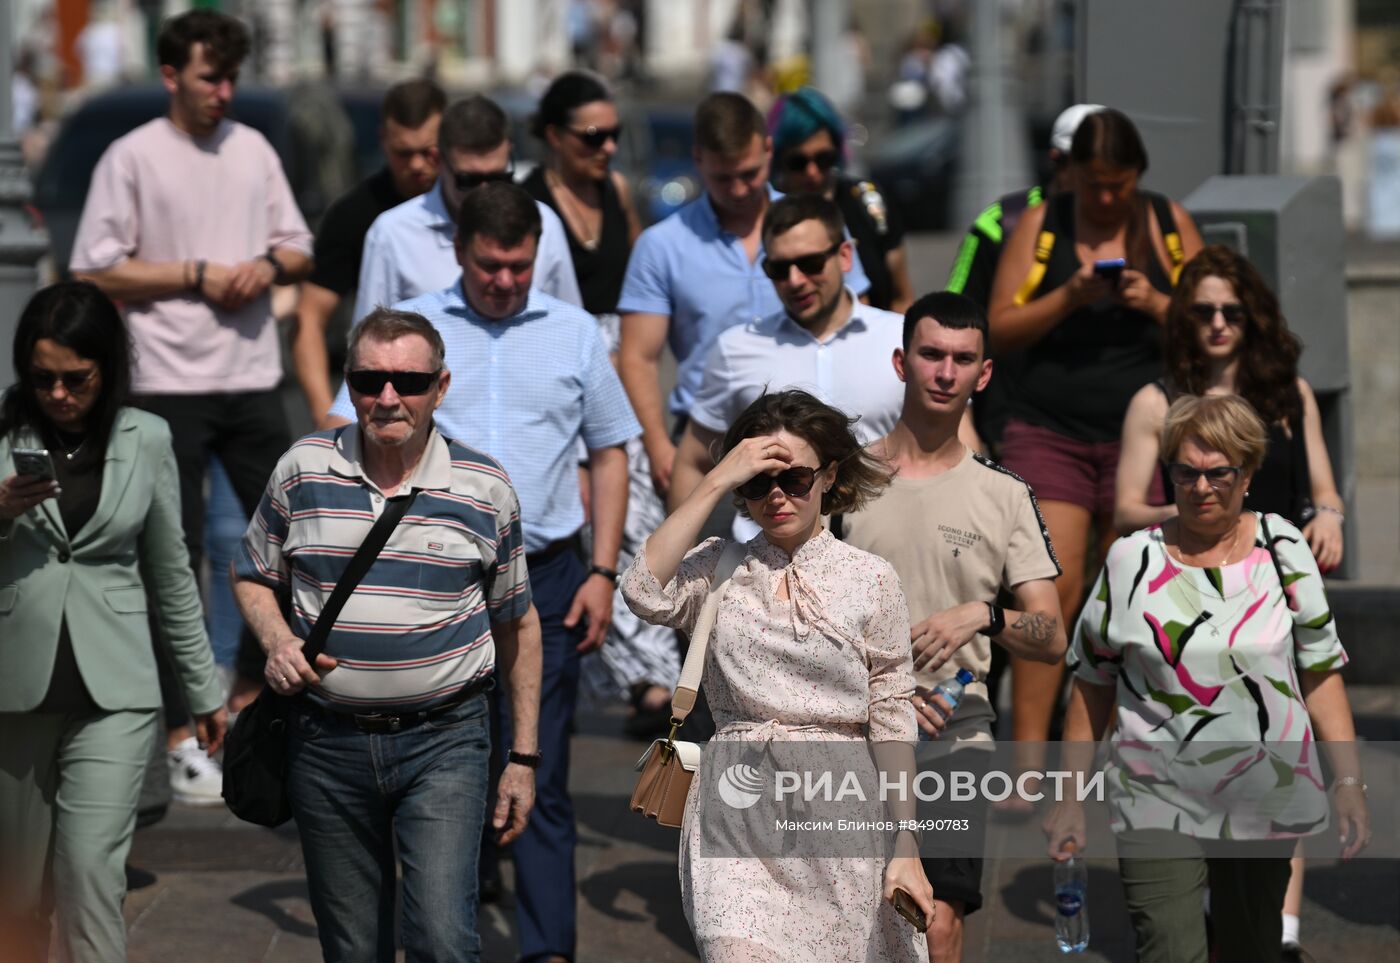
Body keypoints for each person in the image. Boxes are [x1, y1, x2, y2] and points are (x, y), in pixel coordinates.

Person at [328, 183, 639, 963]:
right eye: (490, 265)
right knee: (444, 772)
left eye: (520, 266)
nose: (504, 280)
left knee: (542, 765)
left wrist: (604, 568)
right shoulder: (415, 336)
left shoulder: (572, 333)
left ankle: (546, 949)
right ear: (460, 252)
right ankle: (442, 930)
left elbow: (610, 449)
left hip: (552, 570)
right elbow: (349, 426)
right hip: (437, 580)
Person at [233, 308, 542, 962]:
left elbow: (517, 622)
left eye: (409, 380)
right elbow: (252, 573)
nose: (388, 397)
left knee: (442, 937)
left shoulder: (485, 487)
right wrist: (277, 642)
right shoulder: (303, 469)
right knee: (353, 947)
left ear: (441, 386)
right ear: (348, 384)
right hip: (325, 742)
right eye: (369, 379)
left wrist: (523, 758)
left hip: (446, 739)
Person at [69, 9, 313, 804]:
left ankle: (242, 698)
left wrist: (266, 265)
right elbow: (96, 268)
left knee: (287, 540)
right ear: (172, 74)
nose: (224, 92)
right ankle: (179, 731)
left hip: (249, 374)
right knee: (168, 556)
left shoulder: (251, 148)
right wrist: (197, 274)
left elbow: (297, 246)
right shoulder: (132, 156)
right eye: (211, 77)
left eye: (232, 78)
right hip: (164, 380)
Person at [1044, 394, 1369, 963]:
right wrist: (1070, 797)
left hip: (1265, 795)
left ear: (1248, 473)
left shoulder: (1285, 549)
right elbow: (1091, 683)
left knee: (1253, 949)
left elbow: (1320, 675)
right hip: (1154, 796)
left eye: (1219, 473)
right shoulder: (1129, 560)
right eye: (1185, 472)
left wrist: (1348, 786)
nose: (1200, 487)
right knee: (1168, 949)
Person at [619, 389, 934, 962]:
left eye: (795, 478)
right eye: (758, 482)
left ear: (829, 475)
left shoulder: (872, 579)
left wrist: (907, 843)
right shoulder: (718, 564)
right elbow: (640, 590)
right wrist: (715, 479)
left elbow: (892, 723)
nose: (777, 495)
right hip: (735, 807)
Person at [1113, 245, 1347, 960]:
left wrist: (1329, 516)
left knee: (1282, 747)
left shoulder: (1287, 392)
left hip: (1274, 581)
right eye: (1204, 310)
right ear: (1185, 316)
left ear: (1254, 317)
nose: (1218, 323)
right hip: (1183, 589)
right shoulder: (1157, 398)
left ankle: (1284, 930)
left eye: (1232, 311)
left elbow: (1323, 487)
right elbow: (1123, 504)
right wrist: (1194, 505)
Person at [0, 282, 226, 963]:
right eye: (43, 379)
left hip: (118, 693)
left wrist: (202, 687)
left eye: (77, 379)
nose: (60, 394)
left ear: (108, 370)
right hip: (15, 692)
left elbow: (171, 572)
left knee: (89, 871)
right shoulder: (4, 437)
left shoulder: (147, 438)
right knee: (15, 895)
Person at [837, 292, 1066, 963]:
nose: (945, 372)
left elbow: (1052, 637)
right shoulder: (845, 479)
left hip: (954, 736)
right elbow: (802, 607)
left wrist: (985, 614)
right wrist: (883, 692)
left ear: (984, 374)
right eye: (931, 355)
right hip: (849, 733)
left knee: (936, 921)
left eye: (962, 359)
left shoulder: (1005, 493)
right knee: (854, 924)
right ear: (901, 362)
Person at [986, 108, 1203, 806]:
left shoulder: (1166, 222)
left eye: (1119, 184)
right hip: (1050, 425)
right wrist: (1068, 296)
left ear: (1138, 176)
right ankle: (1027, 763)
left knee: (1135, 592)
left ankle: (1131, 754)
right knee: (1053, 583)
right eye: (1095, 183)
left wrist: (1154, 300)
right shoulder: (1042, 222)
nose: (1107, 198)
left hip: (1145, 427)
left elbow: (1213, 316)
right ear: (1072, 172)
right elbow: (998, 326)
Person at [617, 91, 870, 501]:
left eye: (749, 174)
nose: (738, 189)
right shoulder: (662, 244)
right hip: (711, 440)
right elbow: (638, 357)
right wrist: (659, 446)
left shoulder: (812, 226)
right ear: (698, 159)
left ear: (768, 150)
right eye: (723, 178)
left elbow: (859, 319)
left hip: (816, 439)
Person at [522, 71, 673, 734]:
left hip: (619, 360)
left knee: (637, 516)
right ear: (553, 136)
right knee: (568, 522)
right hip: (556, 367)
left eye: (614, 134)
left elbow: (640, 274)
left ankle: (652, 677)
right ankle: (606, 675)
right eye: (592, 135)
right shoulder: (529, 200)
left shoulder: (613, 191)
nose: (607, 147)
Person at [669, 194, 904, 524]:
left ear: (845, 255)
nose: (795, 280)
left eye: (810, 264)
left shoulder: (900, 336)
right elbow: (693, 461)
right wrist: (684, 560)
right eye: (778, 269)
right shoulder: (736, 348)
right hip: (766, 561)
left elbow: (953, 445)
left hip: (882, 547)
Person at [293, 78, 446, 428]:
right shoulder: (354, 214)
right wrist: (325, 415)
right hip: (387, 403)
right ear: (383, 141)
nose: (418, 165)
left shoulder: (471, 207)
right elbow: (309, 319)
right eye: (403, 153)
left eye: (429, 152)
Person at [353, 94, 582, 325]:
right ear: (438, 161)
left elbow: (570, 324)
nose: (483, 191)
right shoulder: (392, 234)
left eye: (496, 177)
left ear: (509, 154)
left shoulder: (544, 223)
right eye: (468, 179)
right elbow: (370, 340)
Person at [768, 86, 915, 313]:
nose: (812, 172)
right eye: (798, 162)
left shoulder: (869, 201)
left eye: (824, 158)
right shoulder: (770, 214)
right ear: (778, 160)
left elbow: (901, 297)